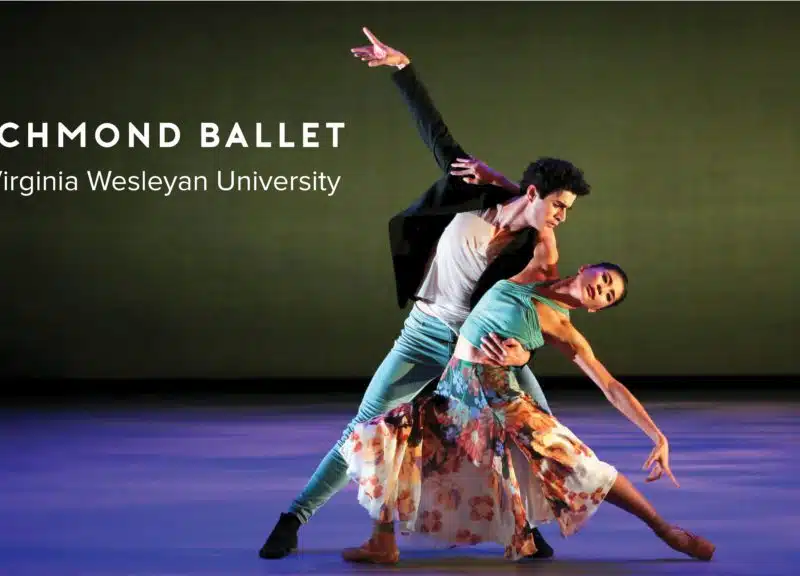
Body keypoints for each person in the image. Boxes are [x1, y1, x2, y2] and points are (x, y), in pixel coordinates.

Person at [259, 27, 591, 560]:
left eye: (566, 210)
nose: (562, 216)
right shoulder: (474, 187)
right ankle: (293, 517)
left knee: (539, 429)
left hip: (479, 346)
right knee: (364, 426)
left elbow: (539, 308)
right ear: (533, 192)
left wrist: (523, 354)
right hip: (423, 333)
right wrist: (401, 68)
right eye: (558, 205)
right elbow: (436, 134)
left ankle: (527, 529)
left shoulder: (537, 247)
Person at [338, 260, 716, 563]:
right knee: (386, 435)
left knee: (579, 465)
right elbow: (538, 208)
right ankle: (382, 541)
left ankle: (665, 530)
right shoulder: (537, 266)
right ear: (585, 268)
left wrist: (657, 435)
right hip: (456, 394)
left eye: (607, 295)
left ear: (595, 308)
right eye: (604, 280)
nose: (601, 289)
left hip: (501, 398)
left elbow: (610, 386)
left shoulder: (563, 328)